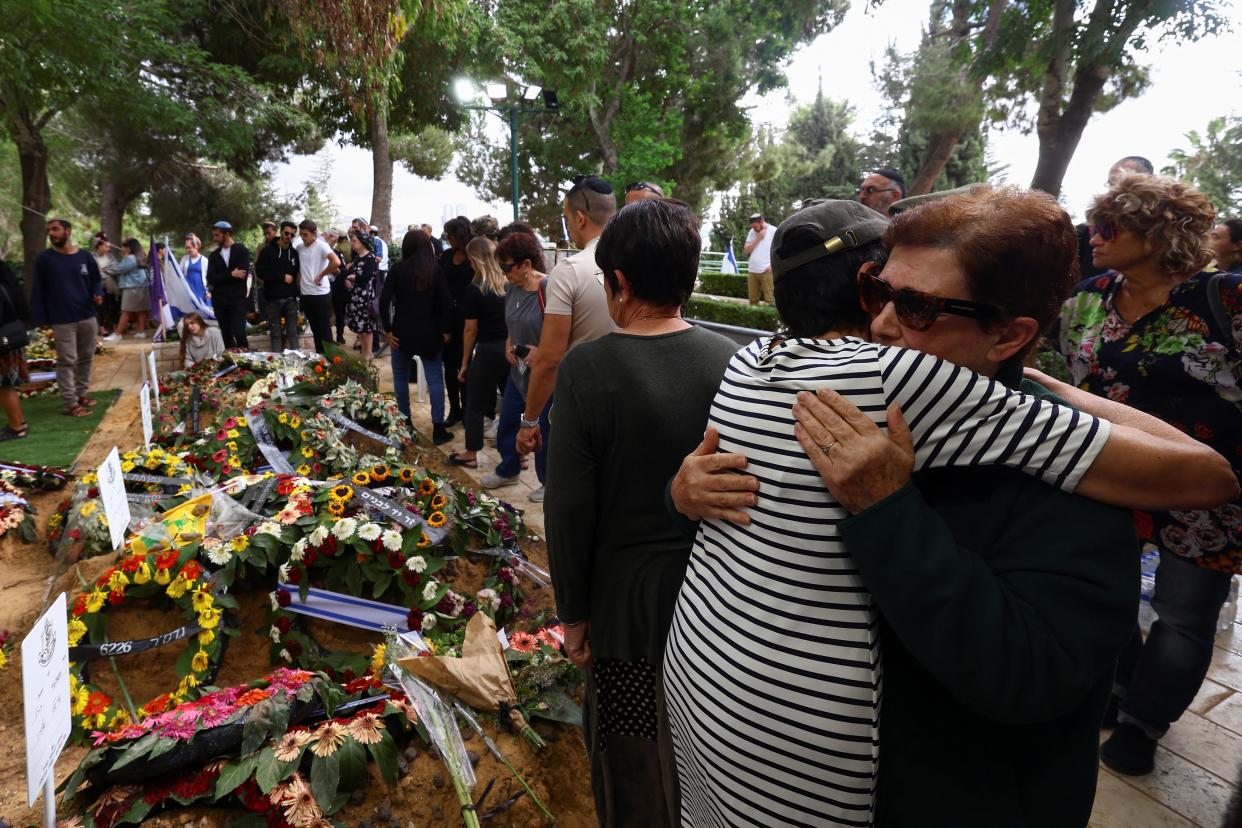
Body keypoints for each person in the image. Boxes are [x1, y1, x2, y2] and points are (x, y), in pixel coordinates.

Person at [663, 193, 1237, 826]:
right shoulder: (873, 397)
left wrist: (888, 509)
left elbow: (1030, 674)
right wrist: (686, 494)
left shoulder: (1068, 485)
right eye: (878, 292)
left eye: (915, 308)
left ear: (1011, 335)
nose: (879, 325)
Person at [545, 198, 738, 826]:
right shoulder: (734, 362)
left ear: (619, 283)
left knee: (633, 752)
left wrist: (573, 611)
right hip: (721, 594)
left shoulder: (589, 368)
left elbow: (570, 505)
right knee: (707, 749)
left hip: (628, 607)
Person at [1051, 174, 1242, 777]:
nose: (1094, 237)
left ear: (1159, 234)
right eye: (1093, 225)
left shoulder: (1227, 300)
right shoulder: (1088, 296)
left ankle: (1145, 722)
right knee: (1103, 588)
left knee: (1184, 615)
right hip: (1113, 472)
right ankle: (1122, 681)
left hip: (1204, 490)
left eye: (1110, 227)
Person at [516, 175, 618, 458]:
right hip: (633, 407)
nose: (569, 226)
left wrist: (530, 420)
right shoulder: (639, 262)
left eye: (567, 218)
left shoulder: (570, 270)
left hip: (582, 412)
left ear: (580, 218)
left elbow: (549, 359)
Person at [481, 233, 552, 492]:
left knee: (543, 430)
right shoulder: (512, 288)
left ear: (526, 265)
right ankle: (508, 468)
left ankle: (548, 482)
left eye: (506, 267)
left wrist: (542, 352)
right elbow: (512, 321)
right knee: (509, 422)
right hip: (519, 371)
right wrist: (509, 342)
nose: (503, 273)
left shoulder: (549, 288)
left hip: (544, 374)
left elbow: (565, 332)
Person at [381, 229, 454, 444]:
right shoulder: (436, 270)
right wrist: (446, 330)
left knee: (400, 378)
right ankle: (438, 428)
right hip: (431, 334)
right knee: (435, 380)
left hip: (402, 333)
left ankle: (405, 423)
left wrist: (388, 330)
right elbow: (447, 303)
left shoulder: (398, 269)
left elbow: (383, 301)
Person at [30, 218, 102, 417]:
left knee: (86, 357)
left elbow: (96, 280)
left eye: (55, 229)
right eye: (49, 231)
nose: (51, 234)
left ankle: (81, 394)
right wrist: (41, 318)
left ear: (68, 231)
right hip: (62, 319)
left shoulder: (85, 256)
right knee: (67, 361)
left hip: (87, 315)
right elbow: (38, 290)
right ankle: (71, 403)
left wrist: (98, 294)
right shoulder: (45, 259)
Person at [449, 237, 510, 469]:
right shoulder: (508, 283)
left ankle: (471, 453)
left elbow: (470, 330)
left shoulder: (474, 289)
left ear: (474, 258)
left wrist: (464, 362)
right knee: (514, 402)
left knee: (474, 404)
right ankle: (516, 454)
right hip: (511, 349)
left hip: (488, 350)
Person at [1077, 155, 1156, 280]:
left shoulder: (1163, 236)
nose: (1114, 190)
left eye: (1123, 181)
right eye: (1110, 183)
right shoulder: (1082, 234)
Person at [440, 216, 474, 428]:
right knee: (450, 367)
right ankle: (454, 408)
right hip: (447, 317)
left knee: (466, 365)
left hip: (469, 318)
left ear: (458, 235)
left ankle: (469, 409)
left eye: (450, 235)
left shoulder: (474, 258)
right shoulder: (446, 255)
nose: (448, 239)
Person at [294, 220, 341, 354]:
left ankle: (331, 360)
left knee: (324, 329)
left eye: (305, 234)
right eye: (301, 234)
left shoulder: (322, 246)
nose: (303, 237)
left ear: (314, 234)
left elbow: (336, 262)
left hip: (321, 294)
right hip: (306, 294)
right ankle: (320, 357)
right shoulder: (299, 248)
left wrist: (321, 275)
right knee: (314, 329)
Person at [205, 220, 251, 349]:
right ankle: (231, 364)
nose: (214, 238)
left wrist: (222, 278)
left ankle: (245, 361)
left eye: (217, 235)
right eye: (213, 235)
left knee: (239, 331)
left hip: (237, 300)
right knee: (226, 334)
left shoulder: (242, 251)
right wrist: (231, 274)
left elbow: (242, 274)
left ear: (227, 234)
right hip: (220, 301)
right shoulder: (213, 256)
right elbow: (211, 278)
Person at [256, 221, 301, 352]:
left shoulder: (294, 253)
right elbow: (260, 272)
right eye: (286, 233)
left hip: (290, 300)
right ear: (280, 232)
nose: (289, 237)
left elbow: (297, 274)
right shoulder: (268, 250)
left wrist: (297, 292)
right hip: (273, 300)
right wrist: (281, 277)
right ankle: (277, 364)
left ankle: (296, 364)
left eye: (292, 235)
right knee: (275, 334)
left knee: (293, 332)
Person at [0, 260, 31, 440]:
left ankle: (17, 427)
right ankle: (19, 422)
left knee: (4, 387)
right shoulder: (8, 279)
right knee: (8, 385)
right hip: (12, 338)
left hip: (3, 343)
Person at [345, 230, 380, 362]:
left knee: (367, 327)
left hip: (365, 298)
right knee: (360, 326)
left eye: (355, 241)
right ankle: (364, 352)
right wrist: (348, 278)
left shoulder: (370, 258)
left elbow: (366, 277)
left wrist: (353, 277)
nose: (352, 244)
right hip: (355, 297)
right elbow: (350, 272)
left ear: (363, 243)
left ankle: (368, 353)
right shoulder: (357, 258)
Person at [106, 238, 151, 341]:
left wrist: (107, 269)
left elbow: (120, 269)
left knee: (125, 311)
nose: (122, 248)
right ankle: (141, 332)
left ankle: (117, 334)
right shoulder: (141, 256)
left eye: (124, 247)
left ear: (129, 248)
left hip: (132, 287)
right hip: (142, 286)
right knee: (141, 311)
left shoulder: (130, 258)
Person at [324, 228, 349, 344]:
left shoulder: (338, 253)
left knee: (340, 312)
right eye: (333, 239)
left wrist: (336, 270)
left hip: (337, 287)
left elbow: (343, 270)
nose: (334, 242)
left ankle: (340, 336)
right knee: (326, 313)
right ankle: (327, 339)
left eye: (336, 240)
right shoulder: (319, 253)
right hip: (323, 288)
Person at [742, 213, 774, 305]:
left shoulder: (773, 231)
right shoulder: (752, 232)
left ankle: (770, 319)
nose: (754, 229)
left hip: (767, 271)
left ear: (762, 222)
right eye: (752, 227)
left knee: (770, 300)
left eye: (755, 227)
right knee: (752, 300)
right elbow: (746, 250)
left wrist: (772, 265)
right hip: (752, 270)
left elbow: (780, 250)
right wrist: (758, 238)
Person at [93, 235, 119, 336]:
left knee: (113, 306)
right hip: (98, 285)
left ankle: (115, 327)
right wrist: (104, 270)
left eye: (108, 247)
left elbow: (116, 269)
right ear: (99, 246)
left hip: (110, 285)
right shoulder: (92, 257)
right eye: (105, 246)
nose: (108, 248)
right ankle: (101, 328)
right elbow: (93, 271)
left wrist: (105, 269)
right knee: (100, 307)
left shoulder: (111, 257)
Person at [179, 233, 210, 310]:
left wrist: (210, 292)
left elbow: (210, 277)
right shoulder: (184, 259)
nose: (188, 250)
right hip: (188, 292)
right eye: (186, 248)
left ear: (197, 246)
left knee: (202, 314)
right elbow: (179, 273)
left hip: (201, 292)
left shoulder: (204, 261)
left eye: (190, 247)